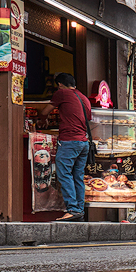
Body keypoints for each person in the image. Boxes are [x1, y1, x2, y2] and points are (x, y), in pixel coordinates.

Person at [40, 72, 91, 222]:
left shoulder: (62, 93)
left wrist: (43, 119)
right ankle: (79, 210)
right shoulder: (84, 98)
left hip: (70, 141)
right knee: (77, 176)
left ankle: (73, 209)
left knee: (64, 174)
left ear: (60, 84)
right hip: (84, 143)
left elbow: (45, 111)